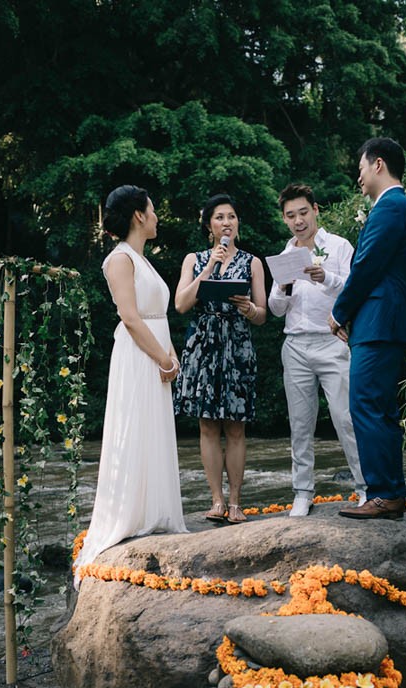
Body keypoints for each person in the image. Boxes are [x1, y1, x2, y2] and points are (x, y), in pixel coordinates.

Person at [74, 185, 186, 584]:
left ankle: (153, 511)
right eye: (153, 209)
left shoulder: (143, 258)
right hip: (139, 355)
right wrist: (161, 357)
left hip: (156, 350)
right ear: (139, 215)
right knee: (134, 428)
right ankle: (127, 515)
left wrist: (171, 355)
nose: (157, 216)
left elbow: (157, 314)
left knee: (153, 431)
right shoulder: (119, 259)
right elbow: (131, 317)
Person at [330, 137, 406, 520]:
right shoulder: (394, 207)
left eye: (362, 168)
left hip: (379, 321)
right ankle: (389, 492)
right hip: (381, 321)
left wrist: (339, 312)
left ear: (378, 164)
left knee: (366, 404)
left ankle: (383, 493)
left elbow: (365, 266)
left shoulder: (391, 207)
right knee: (378, 407)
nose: (359, 177)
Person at [268, 183, 366, 517]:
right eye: (291, 215)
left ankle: (365, 488)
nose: (298, 220)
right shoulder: (283, 257)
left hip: (331, 341)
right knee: (300, 423)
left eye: (303, 212)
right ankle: (302, 492)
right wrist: (282, 287)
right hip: (295, 344)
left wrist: (325, 277)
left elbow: (354, 290)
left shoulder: (338, 246)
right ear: (284, 219)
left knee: (346, 418)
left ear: (316, 210)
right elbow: (275, 308)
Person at [174, 193, 266, 524]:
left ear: (237, 223)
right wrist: (211, 265)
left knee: (236, 427)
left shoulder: (253, 262)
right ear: (209, 226)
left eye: (231, 216)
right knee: (208, 425)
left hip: (237, 345)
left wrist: (249, 308)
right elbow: (181, 304)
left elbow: (261, 314)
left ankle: (237, 503)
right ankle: (216, 500)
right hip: (203, 346)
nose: (226, 222)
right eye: (219, 217)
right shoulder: (193, 259)